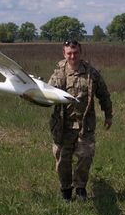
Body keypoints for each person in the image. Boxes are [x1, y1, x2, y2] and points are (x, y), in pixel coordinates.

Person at [48, 39, 113, 201]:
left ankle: (80, 188)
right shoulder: (58, 73)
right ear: (64, 54)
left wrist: (108, 114)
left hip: (85, 126)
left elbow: (104, 95)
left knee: (85, 157)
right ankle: (66, 191)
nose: (72, 56)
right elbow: (46, 93)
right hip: (63, 126)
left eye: (75, 52)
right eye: (69, 53)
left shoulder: (92, 73)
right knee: (63, 160)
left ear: (80, 52)